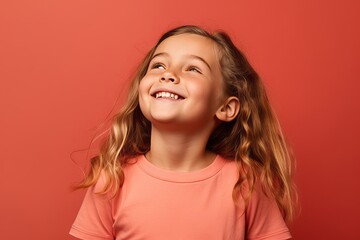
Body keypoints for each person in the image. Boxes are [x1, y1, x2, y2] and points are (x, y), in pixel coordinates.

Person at [69, 25, 297, 240]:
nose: (168, 74)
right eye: (158, 65)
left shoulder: (245, 183)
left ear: (226, 108)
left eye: (193, 69)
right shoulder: (111, 180)